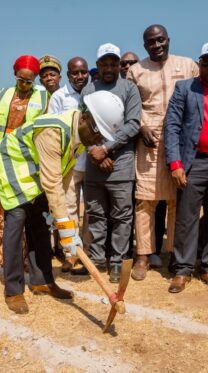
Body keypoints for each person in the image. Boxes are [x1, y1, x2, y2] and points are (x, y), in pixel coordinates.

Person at [0, 90, 124, 313]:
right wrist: (65, 228)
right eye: (98, 132)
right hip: (13, 165)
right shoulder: (52, 130)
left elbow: (65, 174)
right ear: (85, 117)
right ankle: (13, 290)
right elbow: (52, 181)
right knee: (17, 222)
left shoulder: (81, 135)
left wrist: (63, 220)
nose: (99, 140)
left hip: (39, 173)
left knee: (41, 225)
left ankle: (42, 280)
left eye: (103, 136)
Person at [127, 25, 198, 281]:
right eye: (151, 42)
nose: (157, 45)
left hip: (182, 139)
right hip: (150, 140)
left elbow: (199, 98)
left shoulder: (188, 65)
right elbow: (129, 105)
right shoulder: (136, 71)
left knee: (179, 200)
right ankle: (143, 256)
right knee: (145, 199)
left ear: (168, 39)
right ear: (145, 46)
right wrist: (140, 126)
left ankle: (176, 256)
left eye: (161, 40)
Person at [164, 41, 208, 293]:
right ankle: (183, 269)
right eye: (206, 63)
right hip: (193, 163)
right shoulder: (184, 88)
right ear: (199, 64)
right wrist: (176, 163)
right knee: (186, 219)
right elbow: (171, 126)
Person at [81, 43, 141, 283]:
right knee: (96, 215)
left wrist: (106, 149)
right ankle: (96, 261)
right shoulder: (88, 91)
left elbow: (133, 124)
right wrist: (94, 151)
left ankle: (116, 261)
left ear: (119, 65)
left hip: (121, 164)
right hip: (94, 166)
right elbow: (81, 125)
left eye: (113, 63)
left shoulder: (129, 89)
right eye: (104, 64)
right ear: (97, 66)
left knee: (122, 216)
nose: (108, 68)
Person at [0, 55, 48, 265]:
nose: (25, 85)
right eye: (21, 80)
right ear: (15, 75)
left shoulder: (43, 98)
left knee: (23, 208)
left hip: (26, 160)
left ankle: (24, 255)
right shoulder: (3, 95)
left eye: (29, 81)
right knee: (0, 204)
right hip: (2, 156)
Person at [47, 57, 90, 273]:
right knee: (68, 209)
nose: (80, 77)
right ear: (68, 74)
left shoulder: (93, 92)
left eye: (83, 72)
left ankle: (88, 252)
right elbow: (53, 131)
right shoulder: (59, 97)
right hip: (69, 164)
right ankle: (71, 254)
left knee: (91, 211)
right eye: (75, 73)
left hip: (92, 162)